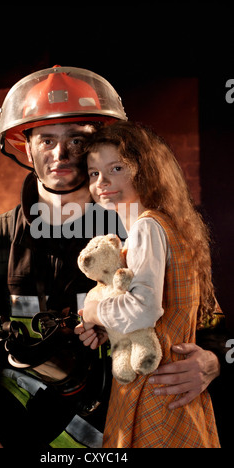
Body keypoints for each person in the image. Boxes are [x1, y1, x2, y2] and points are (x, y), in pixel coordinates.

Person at [0, 66, 223, 449]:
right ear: (26, 146)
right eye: (47, 140)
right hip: (20, 433)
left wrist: (213, 361)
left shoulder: (141, 230)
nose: (61, 154)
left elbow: (206, 322)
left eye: (77, 140)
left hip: (127, 430)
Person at [75, 121, 221, 447]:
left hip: (153, 390)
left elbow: (144, 310)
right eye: (94, 172)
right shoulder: (170, 225)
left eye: (116, 167)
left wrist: (95, 309)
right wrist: (109, 330)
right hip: (177, 393)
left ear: (145, 169)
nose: (103, 182)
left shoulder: (146, 228)